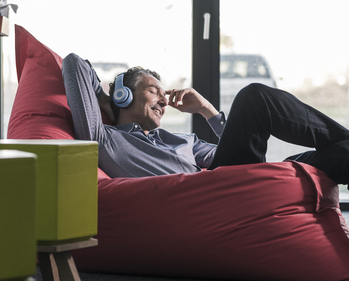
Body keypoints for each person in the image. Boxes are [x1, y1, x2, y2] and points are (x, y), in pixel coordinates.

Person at [62, 52, 349, 184]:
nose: (164, 100)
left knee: (336, 155)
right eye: (153, 91)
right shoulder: (107, 139)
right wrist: (107, 100)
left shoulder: (182, 140)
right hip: (213, 193)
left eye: (164, 94)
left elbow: (237, 153)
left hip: (234, 181)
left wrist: (205, 110)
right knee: (253, 98)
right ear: (124, 95)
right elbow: (74, 64)